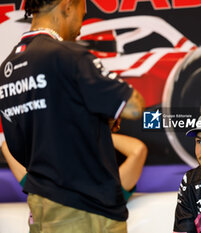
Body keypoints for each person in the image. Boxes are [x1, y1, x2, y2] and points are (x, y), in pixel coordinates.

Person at [0, 0, 144, 232]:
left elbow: (19, 149)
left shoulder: (6, 70)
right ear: (67, 6)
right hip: (87, 210)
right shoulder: (68, 56)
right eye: (82, 15)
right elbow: (134, 106)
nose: (80, 28)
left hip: (40, 209)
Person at [0, 133, 147, 201]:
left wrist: (91, 131)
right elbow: (6, 147)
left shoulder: (106, 187)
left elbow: (138, 150)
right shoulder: (44, 185)